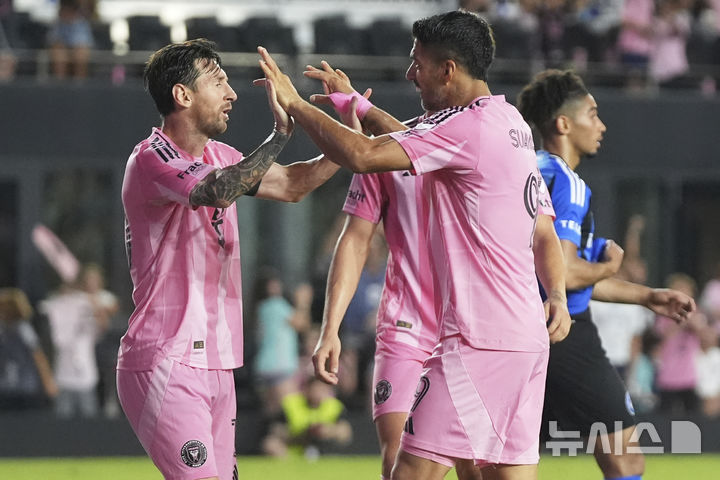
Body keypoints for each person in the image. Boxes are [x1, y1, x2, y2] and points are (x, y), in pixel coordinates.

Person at [259, 10, 570, 480]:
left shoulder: (468, 129)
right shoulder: (510, 123)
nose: (409, 74)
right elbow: (417, 139)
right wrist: (359, 109)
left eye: (417, 63)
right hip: (522, 339)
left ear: (448, 70)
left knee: (407, 473)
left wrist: (295, 103)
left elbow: (364, 154)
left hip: (478, 340)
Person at [117, 38, 346, 480]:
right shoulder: (152, 157)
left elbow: (294, 185)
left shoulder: (221, 156)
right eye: (218, 81)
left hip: (217, 363)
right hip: (167, 356)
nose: (232, 94)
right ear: (182, 95)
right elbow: (220, 191)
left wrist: (348, 130)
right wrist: (282, 133)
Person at [516, 68, 696, 480]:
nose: (602, 126)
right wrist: (610, 265)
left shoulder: (530, 171)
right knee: (625, 459)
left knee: (503, 462)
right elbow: (562, 275)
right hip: (563, 331)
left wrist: (647, 296)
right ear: (564, 124)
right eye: (593, 114)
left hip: (518, 327)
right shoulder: (566, 182)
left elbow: (559, 273)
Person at [40, 276, 109, 419]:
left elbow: (103, 324)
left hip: (86, 380)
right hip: (63, 380)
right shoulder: (57, 311)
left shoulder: (88, 323)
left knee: (90, 425)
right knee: (62, 426)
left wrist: (91, 301)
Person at [253, 267, 312, 419]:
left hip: (264, 366)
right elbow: (301, 324)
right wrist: (303, 301)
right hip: (281, 367)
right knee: (293, 415)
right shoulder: (276, 304)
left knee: (271, 415)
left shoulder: (260, 308)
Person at [261, 374, 352, 459]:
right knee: (270, 444)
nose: (318, 394)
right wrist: (301, 433)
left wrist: (327, 431)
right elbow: (276, 430)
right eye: (316, 389)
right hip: (294, 449)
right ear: (306, 389)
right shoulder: (291, 404)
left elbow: (345, 433)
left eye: (322, 390)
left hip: (324, 451)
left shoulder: (334, 406)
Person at [0, 287, 58, 410]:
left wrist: (48, 381)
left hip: (25, 386)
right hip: (5, 385)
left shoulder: (23, 329)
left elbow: (38, 356)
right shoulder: (3, 329)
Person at [47, 0, 97, 80]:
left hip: (79, 33)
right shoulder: (58, 23)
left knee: (80, 55)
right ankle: (59, 85)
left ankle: (80, 85)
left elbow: (91, 9)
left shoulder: (82, 23)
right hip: (61, 34)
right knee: (59, 55)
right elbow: (53, 40)